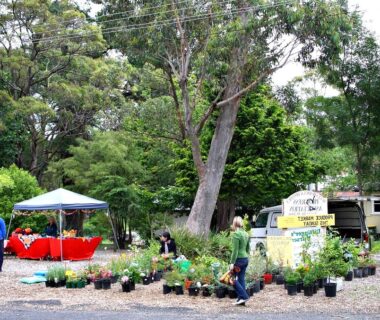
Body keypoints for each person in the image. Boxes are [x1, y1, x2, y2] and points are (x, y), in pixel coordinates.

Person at [230, 216, 250, 305]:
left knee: (232, 279)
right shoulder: (246, 234)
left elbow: (235, 251)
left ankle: (244, 296)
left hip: (238, 260)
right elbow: (248, 248)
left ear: (234, 224)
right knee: (241, 279)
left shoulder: (236, 234)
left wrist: (232, 263)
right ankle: (241, 300)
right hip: (245, 259)